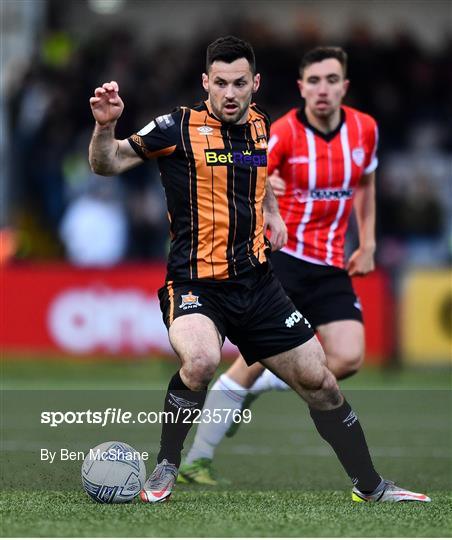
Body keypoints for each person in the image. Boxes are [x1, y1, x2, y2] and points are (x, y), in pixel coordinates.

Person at [89, 36, 429, 504]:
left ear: (256, 84)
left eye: (240, 84)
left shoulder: (259, 127)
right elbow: (108, 164)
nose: (230, 93)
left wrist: (270, 209)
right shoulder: (176, 127)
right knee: (202, 360)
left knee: (322, 383)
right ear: (205, 82)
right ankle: (168, 463)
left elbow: (259, 171)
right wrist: (105, 128)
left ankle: (371, 487)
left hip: (259, 284)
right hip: (195, 285)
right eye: (221, 83)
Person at [179, 45, 381, 485]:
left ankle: (252, 390)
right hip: (282, 260)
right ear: (301, 88)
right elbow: (247, 174)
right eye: (313, 81)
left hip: (329, 264)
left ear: (344, 86)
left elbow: (365, 181)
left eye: (331, 80)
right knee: (247, 366)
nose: (322, 89)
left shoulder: (365, 130)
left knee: (347, 357)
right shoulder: (283, 132)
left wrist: (367, 242)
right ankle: (196, 459)